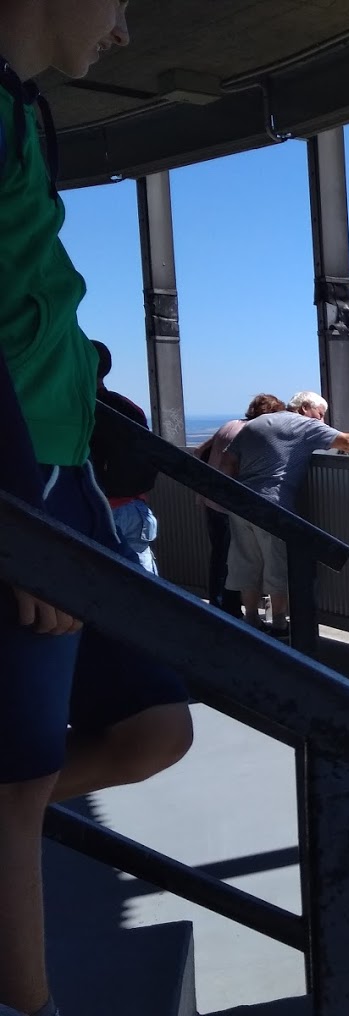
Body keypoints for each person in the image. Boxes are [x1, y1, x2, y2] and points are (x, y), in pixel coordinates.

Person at [0, 5, 195, 1016]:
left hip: (62, 478)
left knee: (155, 726)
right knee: (18, 784)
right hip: (22, 489)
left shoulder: (20, 112)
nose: (122, 32)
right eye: (118, 1)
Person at [221, 390, 349, 634]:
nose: (322, 420)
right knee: (277, 564)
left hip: (241, 501)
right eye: (320, 413)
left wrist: (231, 494)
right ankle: (280, 623)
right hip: (273, 505)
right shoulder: (304, 425)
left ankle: (251, 619)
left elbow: (228, 460)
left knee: (246, 562)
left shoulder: (257, 423)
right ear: (305, 408)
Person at [195, 394, 286, 615]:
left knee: (220, 557)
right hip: (231, 505)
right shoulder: (252, 432)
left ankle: (219, 608)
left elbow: (199, 452)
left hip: (211, 500)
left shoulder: (230, 425)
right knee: (234, 561)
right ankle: (229, 613)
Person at [88, 340, 159, 574]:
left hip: (95, 508)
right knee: (143, 579)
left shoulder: (76, 407)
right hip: (134, 508)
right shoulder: (128, 407)